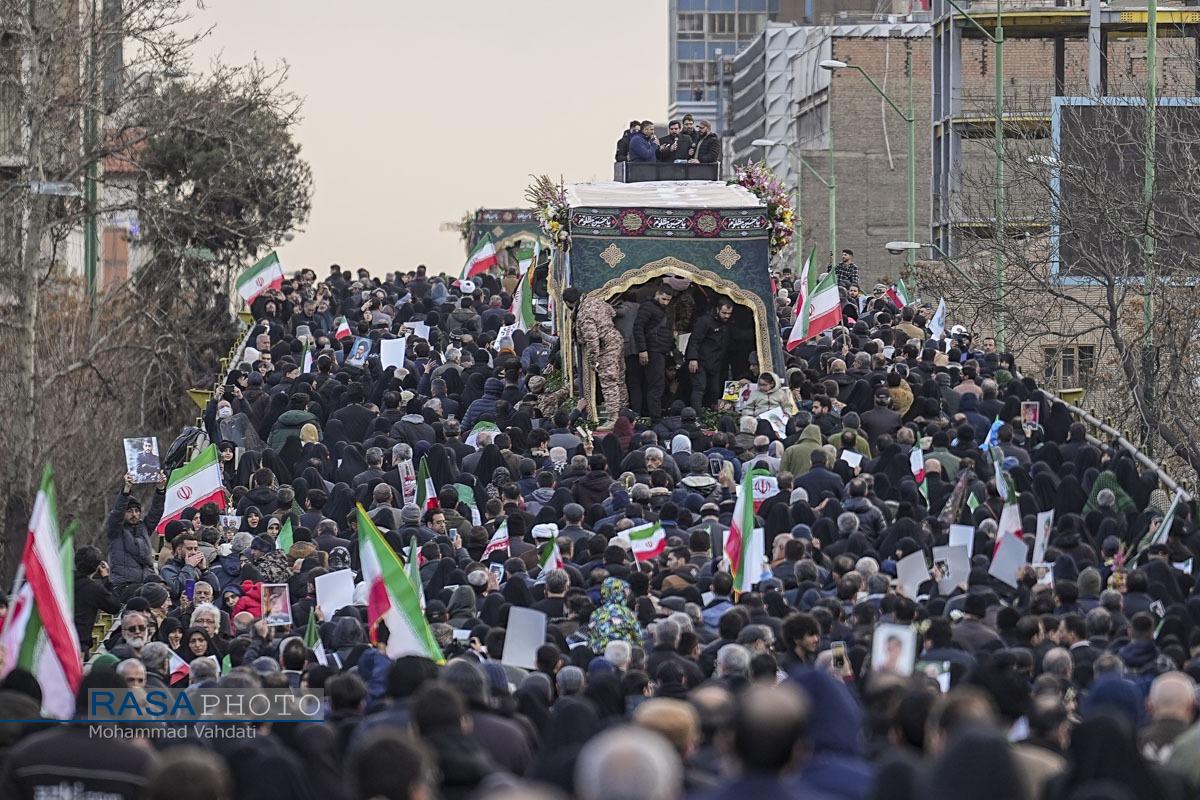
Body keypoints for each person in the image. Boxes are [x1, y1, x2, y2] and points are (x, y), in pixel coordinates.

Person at [576, 293, 629, 417]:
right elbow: (613, 313)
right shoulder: (596, 301)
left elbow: (592, 339)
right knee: (619, 380)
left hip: (606, 346)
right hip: (616, 339)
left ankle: (613, 417)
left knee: (609, 382)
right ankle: (624, 413)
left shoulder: (583, 314)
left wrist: (593, 361)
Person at [633, 283, 676, 422]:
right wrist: (642, 349)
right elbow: (638, 328)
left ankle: (653, 413)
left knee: (655, 384)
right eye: (663, 299)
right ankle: (655, 417)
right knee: (656, 384)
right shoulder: (648, 307)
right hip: (653, 349)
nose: (665, 302)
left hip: (661, 350)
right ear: (657, 294)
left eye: (668, 300)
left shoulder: (664, 310)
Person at [686, 300, 732, 411]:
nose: (726, 316)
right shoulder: (704, 321)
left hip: (715, 362)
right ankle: (697, 415)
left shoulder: (727, 324)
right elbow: (694, 340)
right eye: (724, 313)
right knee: (699, 388)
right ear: (717, 309)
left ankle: (711, 413)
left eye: (729, 313)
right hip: (701, 360)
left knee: (714, 390)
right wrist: (693, 358)